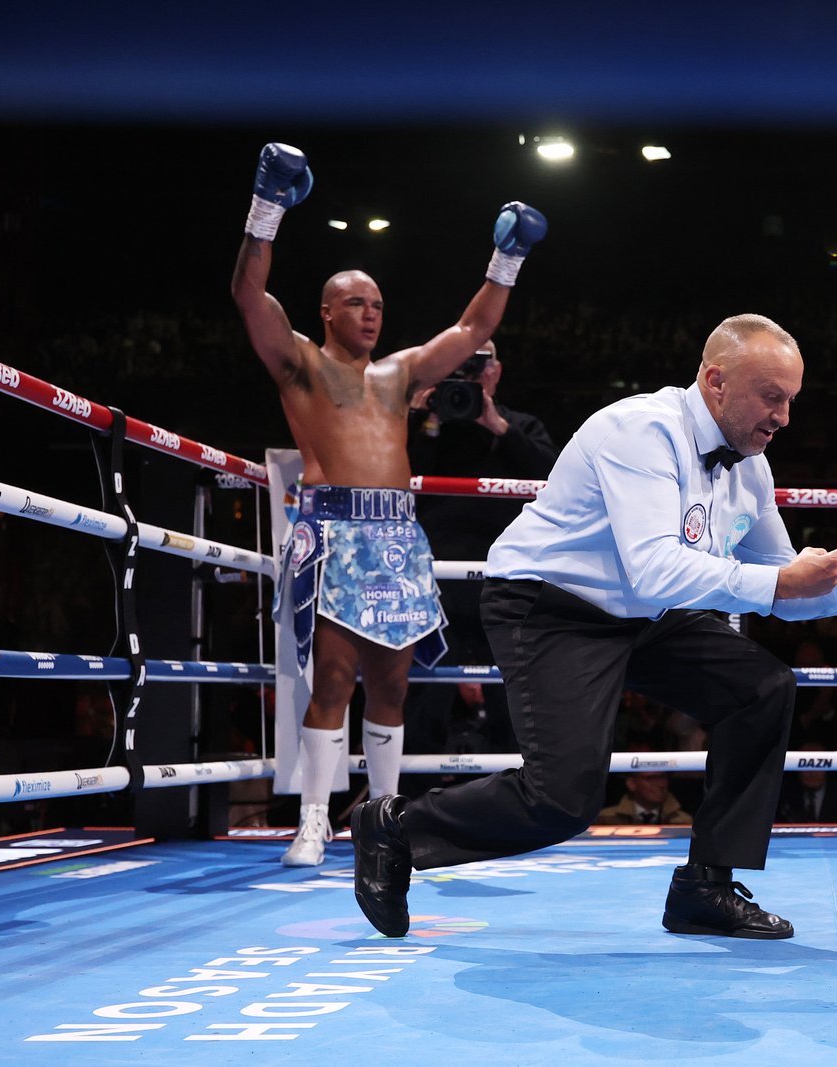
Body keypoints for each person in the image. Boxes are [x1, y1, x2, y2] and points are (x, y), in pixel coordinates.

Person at [352, 312, 837, 940]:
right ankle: (394, 827)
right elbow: (659, 570)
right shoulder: (640, 432)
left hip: (641, 613)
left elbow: (779, 583)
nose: (783, 417)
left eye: (791, 401)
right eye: (772, 397)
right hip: (550, 605)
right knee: (561, 799)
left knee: (761, 687)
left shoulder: (750, 465)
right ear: (716, 382)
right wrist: (783, 582)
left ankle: (706, 887)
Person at [230, 141, 546, 866]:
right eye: (354, 303)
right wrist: (267, 205)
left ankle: (382, 818)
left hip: (397, 536)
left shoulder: (400, 375)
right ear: (325, 310)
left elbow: (473, 331)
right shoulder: (300, 364)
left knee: (393, 682)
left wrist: (508, 260)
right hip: (335, 527)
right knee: (333, 677)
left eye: (377, 304)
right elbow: (249, 295)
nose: (370, 314)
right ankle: (313, 819)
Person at [402, 342, 559, 773]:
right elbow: (391, 474)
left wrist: (497, 425)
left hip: (506, 585)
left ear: (497, 370)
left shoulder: (520, 425)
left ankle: (519, 809)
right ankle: (408, 814)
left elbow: (555, 478)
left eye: (480, 361)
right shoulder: (424, 424)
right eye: (462, 363)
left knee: (513, 702)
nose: (471, 371)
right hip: (434, 586)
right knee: (425, 700)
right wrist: (420, 415)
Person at [596, 770, 695, 825]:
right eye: (650, 778)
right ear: (631, 783)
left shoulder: (683, 820)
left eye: (663, 777)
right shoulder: (605, 818)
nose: (661, 784)